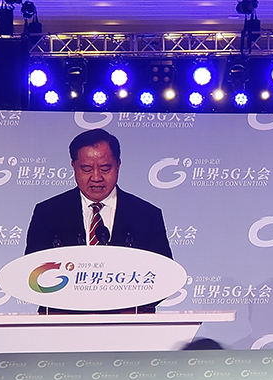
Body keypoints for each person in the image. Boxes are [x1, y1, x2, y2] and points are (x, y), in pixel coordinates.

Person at [25, 128, 172, 313]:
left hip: (129, 323)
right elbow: (32, 273)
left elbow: (165, 276)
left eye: (105, 168)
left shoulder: (146, 215)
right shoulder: (48, 213)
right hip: (63, 322)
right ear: (73, 166)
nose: (96, 177)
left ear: (118, 164)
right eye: (86, 169)